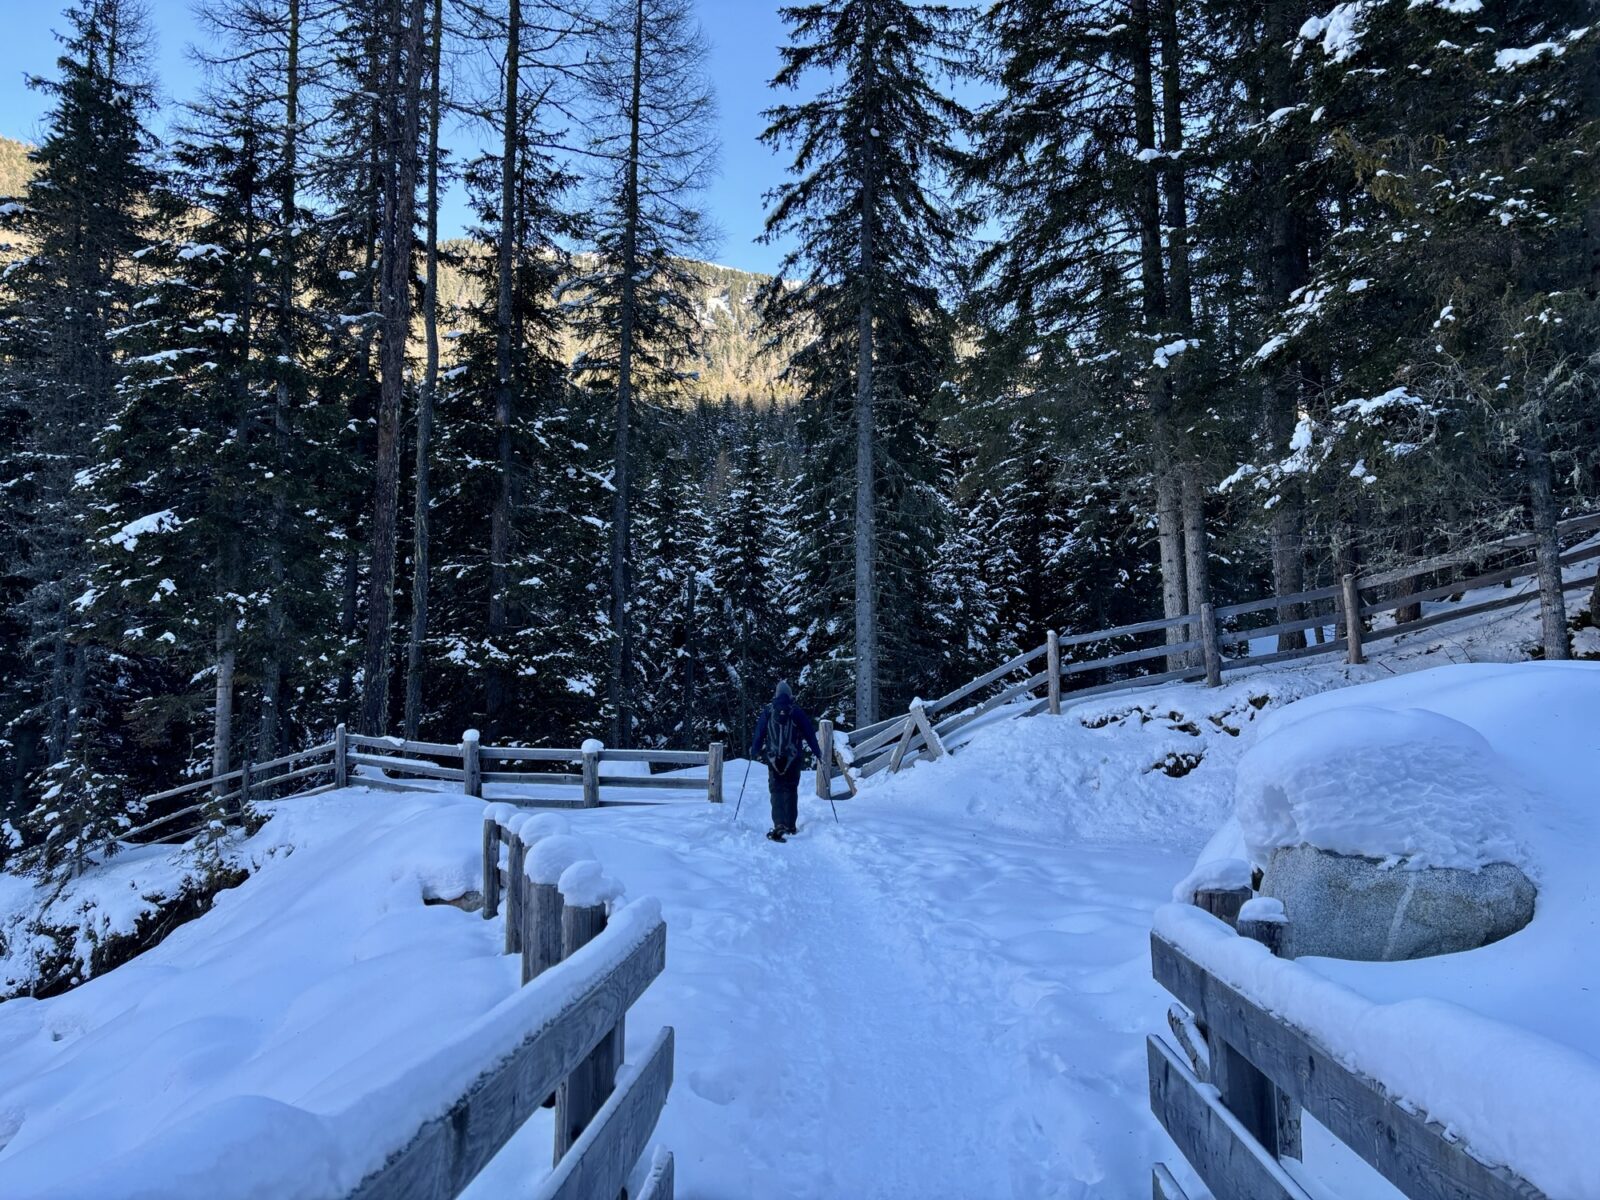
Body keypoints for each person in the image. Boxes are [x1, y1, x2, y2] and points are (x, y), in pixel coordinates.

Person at [749, 680, 822, 842]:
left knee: (776, 790)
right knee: (791, 789)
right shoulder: (796, 712)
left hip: (774, 758)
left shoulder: (768, 711)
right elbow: (809, 734)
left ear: (776, 695)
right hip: (793, 759)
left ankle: (779, 824)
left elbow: (759, 733)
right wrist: (818, 753)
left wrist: (754, 751)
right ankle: (790, 825)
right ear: (789, 695)